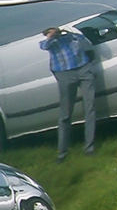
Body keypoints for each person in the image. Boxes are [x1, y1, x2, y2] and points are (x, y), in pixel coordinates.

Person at [40, 26, 97, 160]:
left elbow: (86, 43)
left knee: (90, 108)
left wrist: (70, 32)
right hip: (65, 74)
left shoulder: (73, 36)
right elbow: (44, 46)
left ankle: (90, 148)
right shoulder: (51, 42)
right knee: (65, 114)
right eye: (49, 31)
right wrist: (52, 36)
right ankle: (62, 153)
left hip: (83, 69)